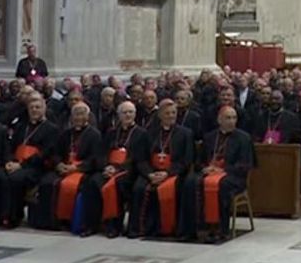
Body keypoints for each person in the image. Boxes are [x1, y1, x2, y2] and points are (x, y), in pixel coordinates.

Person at [185, 105, 256, 243]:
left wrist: (223, 170)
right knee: (190, 182)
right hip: (209, 174)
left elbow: (245, 164)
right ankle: (196, 228)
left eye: (234, 118)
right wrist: (206, 168)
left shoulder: (244, 138)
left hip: (234, 177)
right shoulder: (210, 137)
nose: (232, 121)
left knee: (222, 185)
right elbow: (199, 161)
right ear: (219, 120)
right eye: (228, 118)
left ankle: (219, 229)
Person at [0, 96, 58, 228]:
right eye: (32, 108)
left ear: (44, 109)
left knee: (14, 178)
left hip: (35, 167)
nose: (34, 110)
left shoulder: (52, 129)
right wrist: (9, 161)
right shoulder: (21, 126)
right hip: (15, 163)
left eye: (38, 107)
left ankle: (11, 217)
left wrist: (21, 165)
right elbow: (9, 146)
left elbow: (44, 154)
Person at [34, 102, 102, 233]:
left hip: (82, 170)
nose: (78, 117)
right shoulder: (65, 134)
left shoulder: (95, 135)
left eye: (82, 114)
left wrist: (77, 168)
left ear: (87, 117)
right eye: (76, 114)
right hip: (64, 167)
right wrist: (59, 164)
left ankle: (69, 221)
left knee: (70, 186)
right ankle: (50, 222)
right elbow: (56, 153)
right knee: (47, 182)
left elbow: (95, 158)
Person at [130, 99, 193, 239]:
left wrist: (167, 173)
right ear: (159, 115)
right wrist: (150, 174)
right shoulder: (148, 133)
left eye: (173, 113)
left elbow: (186, 160)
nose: (171, 116)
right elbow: (141, 159)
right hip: (151, 171)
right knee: (139, 188)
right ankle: (141, 228)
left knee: (173, 189)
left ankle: (170, 228)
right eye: (167, 113)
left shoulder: (185, 133)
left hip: (173, 173)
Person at [95, 100, 140, 237]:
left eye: (131, 112)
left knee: (117, 185)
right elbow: (102, 153)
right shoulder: (111, 132)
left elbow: (138, 157)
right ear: (119, 115)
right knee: (93, 182)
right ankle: (96, 224)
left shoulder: (141, 133)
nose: (128, 115)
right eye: (124, 112)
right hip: (110, 169)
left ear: (135, 114)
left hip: (128, 171)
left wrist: (118, 169)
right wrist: (106, 166)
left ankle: (115, 226)